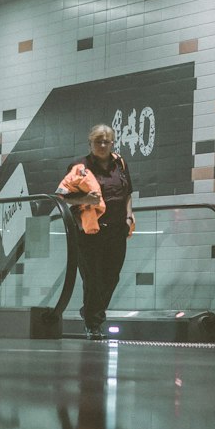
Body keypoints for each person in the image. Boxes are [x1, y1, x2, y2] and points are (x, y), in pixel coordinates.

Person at [56, 123, 135, 339]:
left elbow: (128, 192)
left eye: (106, 141)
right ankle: (93, 323)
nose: (102, 145)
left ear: (112, 143)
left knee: (112, 277)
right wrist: (85, 199)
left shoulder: (120, 163)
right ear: (90, 142)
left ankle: (90, 311)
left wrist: (129, 216)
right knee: (93, 279)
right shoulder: (79, 166)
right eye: (97, 141)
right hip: (90, 232)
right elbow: (61, 196)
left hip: (117, 230)